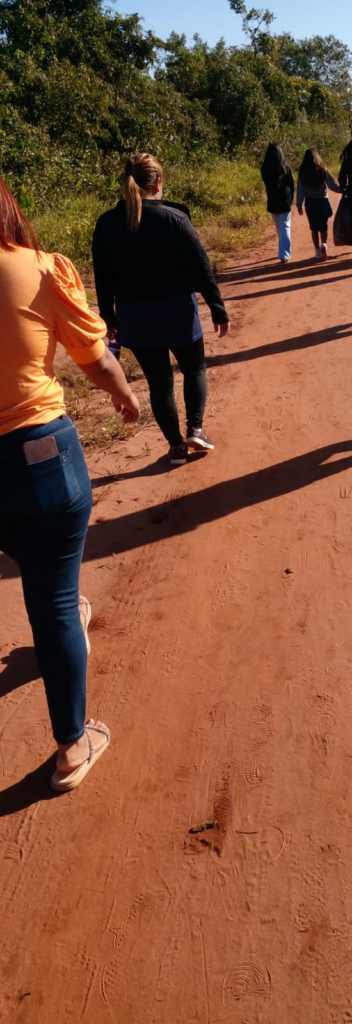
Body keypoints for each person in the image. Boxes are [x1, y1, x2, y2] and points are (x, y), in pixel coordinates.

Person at [0, 175, 141, 792]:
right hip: (39, 454)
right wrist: (124, 395)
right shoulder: (37, 270)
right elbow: (95, 357)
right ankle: (71, 746)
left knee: (51, 589)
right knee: (52, 603)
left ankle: (68, 604)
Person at [92, 153, 230, 466]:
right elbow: (202, 267)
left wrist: (109, 318)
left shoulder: (106, 224)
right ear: (158, 182)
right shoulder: (176, 219)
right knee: (194, 368)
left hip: (134, 318)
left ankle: (175, 448)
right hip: (177, 311)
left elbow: (102, 279)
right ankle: (195, 428)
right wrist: (218, 309)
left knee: (159, 382)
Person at [296, 148, 343, 261]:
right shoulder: (322, 169)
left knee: (314, 228)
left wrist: (299, 205)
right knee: (323, 227)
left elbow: (300, 189)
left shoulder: (303, 172)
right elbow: (331, 185)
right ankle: (324, 245)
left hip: (310, 203)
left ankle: (317, 251)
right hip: (323, 201)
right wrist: (342, 190)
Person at [261, 142, 294, 263]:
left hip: (273, 201)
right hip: (285, 201)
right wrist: (291, 199)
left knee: (279, 227)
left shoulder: (265, 170)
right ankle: (284, 253)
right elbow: (291, 185)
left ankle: (283, 250)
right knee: (284, 226)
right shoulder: (286, 169)